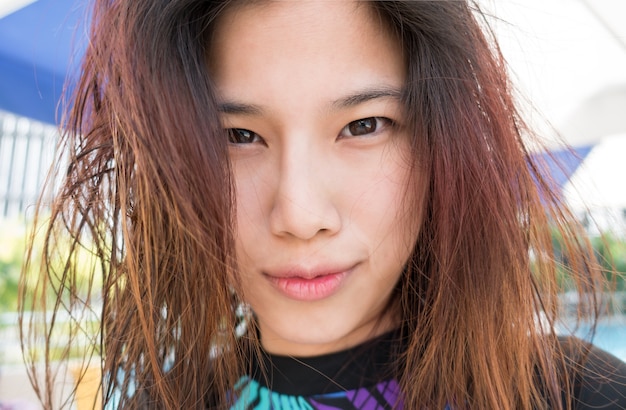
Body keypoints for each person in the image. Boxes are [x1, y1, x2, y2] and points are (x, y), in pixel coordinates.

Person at [19, 1, 626, 409]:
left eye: (364, 126)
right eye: (237, 137)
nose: (301, 215)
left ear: (442, 139)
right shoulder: (160, 400)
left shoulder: (575, 395)